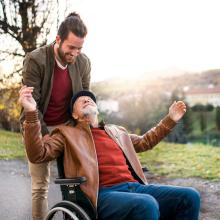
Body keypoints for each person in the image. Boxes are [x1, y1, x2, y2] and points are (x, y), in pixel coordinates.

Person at [19, 87, 200, 220]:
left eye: (90, 99)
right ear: (74, 115)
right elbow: (38, 155)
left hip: (134, 187)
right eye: (81, 100)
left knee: (189, 196)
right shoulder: (66, 133)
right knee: (146, 203)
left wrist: (170, 120)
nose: (87, 99)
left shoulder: (116, 131)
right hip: (100, 195)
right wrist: (31, 112)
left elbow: (146, 141)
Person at [19, 12, 91, 220]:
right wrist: (42, 134)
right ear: (58, 40)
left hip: (67, 126)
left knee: (74, 183)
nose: (75, 53)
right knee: (40, 185)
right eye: (71, 47)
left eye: (79, 48)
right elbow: (31, 105)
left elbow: (84, 97)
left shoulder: (83, 62)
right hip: (37, 123)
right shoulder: (36, 60)